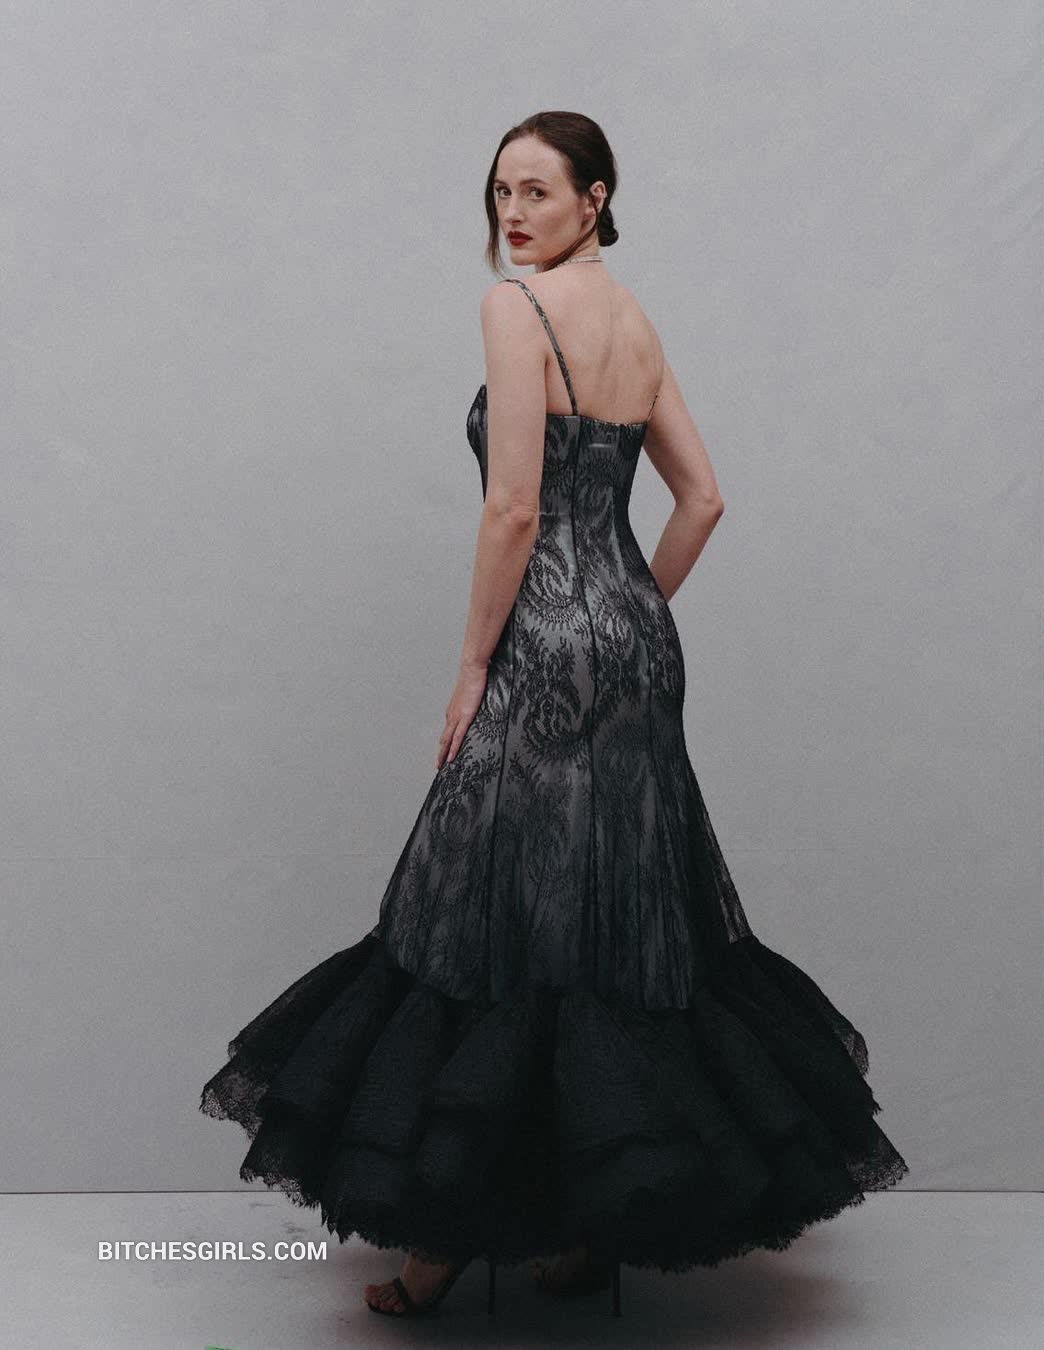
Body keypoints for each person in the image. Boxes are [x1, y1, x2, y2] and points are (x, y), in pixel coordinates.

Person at [199, 110, 909, 1320]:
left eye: (536, 191)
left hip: (542, 647)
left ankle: (437, 1247)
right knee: (623, 922)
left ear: (595, 198)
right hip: (638, 644)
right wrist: (627, 616)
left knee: (477, 917)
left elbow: (515, 510)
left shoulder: (515, 311)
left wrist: (476, 663)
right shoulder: (632, 320)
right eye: (499, 193)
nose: (512, 215)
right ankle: (587, 1231)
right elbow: (703, 500)